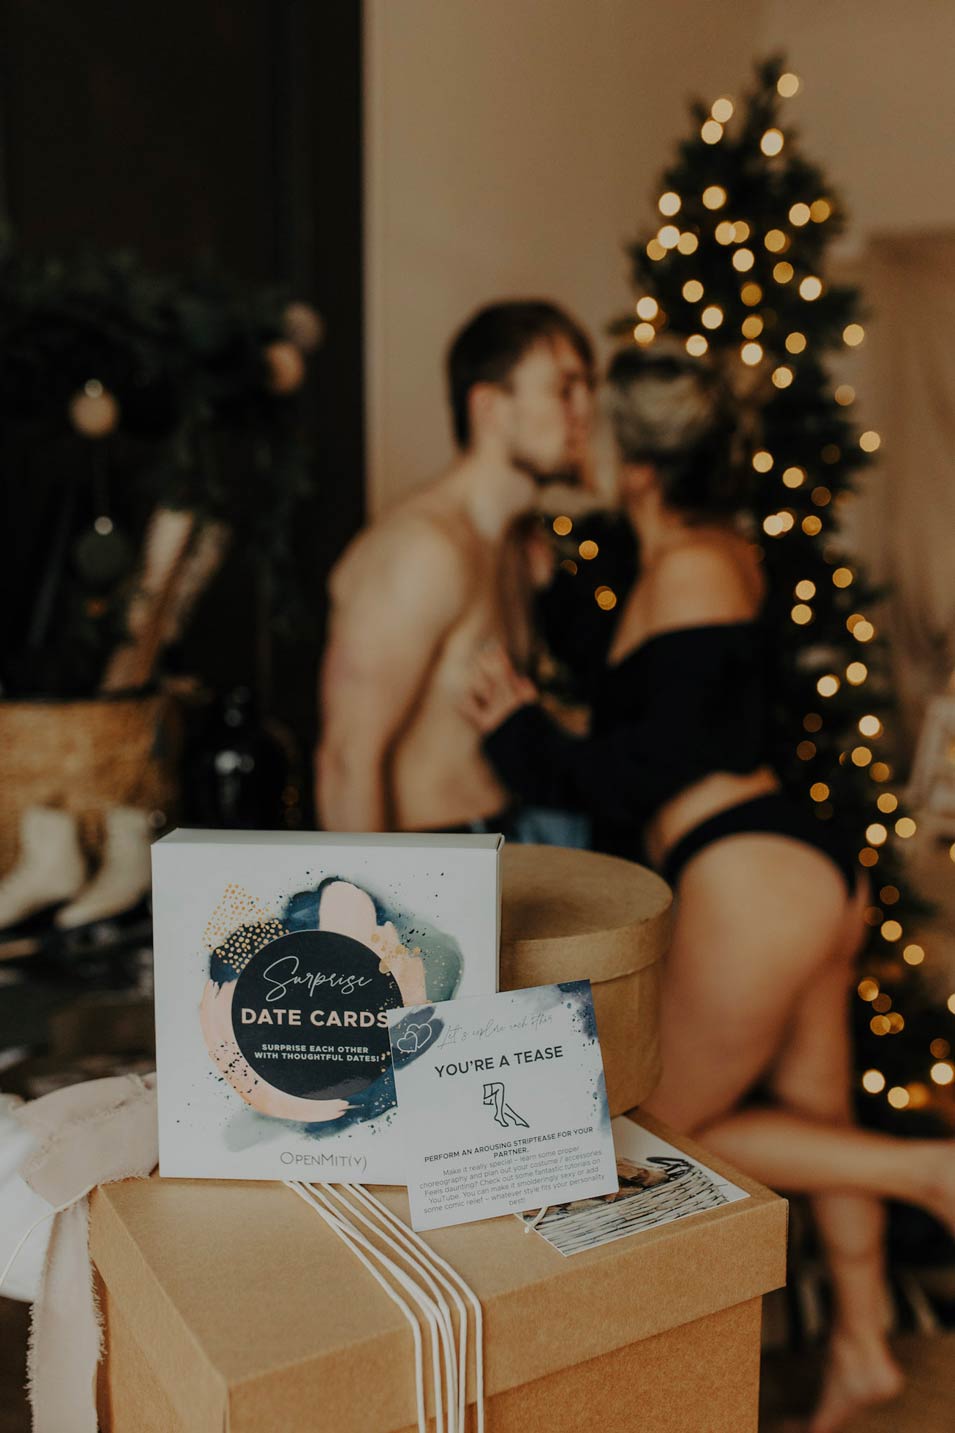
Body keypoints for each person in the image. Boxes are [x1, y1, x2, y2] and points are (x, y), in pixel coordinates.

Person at [463, 342, 955, 1433]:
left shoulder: (689, 567)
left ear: (639, 466)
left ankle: (931, 1172)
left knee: (648, 1127)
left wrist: (520, 737)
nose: (581, 434)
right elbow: (650, 694)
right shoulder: (689, 558)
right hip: (786, 868)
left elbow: (652, 762)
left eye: (598, 424)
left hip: (748, 872)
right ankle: (865, 1345)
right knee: (814, 1111)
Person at [316, 300, 594, 833]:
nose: (584, 410)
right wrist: (375, 890)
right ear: (490, 408)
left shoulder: (518, 547)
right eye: (564, 389)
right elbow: (346, 759)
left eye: (588, 388)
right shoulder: (423, 548)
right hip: (433, 853)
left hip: (508, 836)